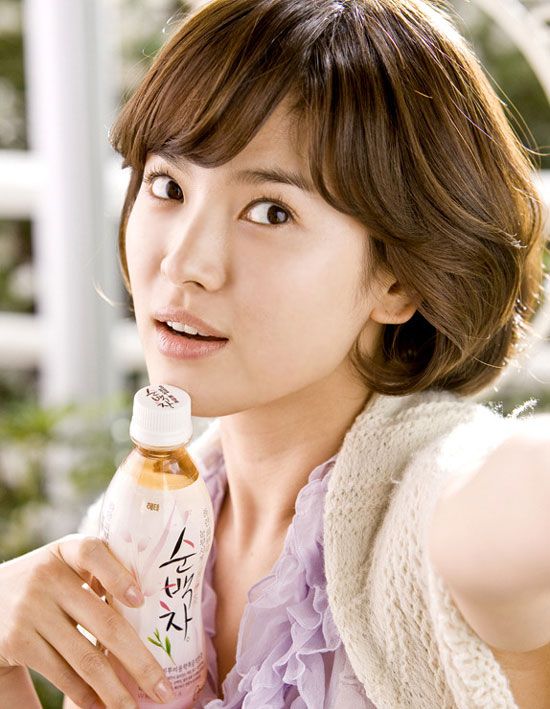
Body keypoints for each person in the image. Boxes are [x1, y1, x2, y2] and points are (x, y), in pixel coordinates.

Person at [1, 0, 549, 706]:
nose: (185, 263)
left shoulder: (431, 515)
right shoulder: (141, 515)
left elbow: (514, 497)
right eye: (168, 186)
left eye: (271, 211)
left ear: (401, 280)